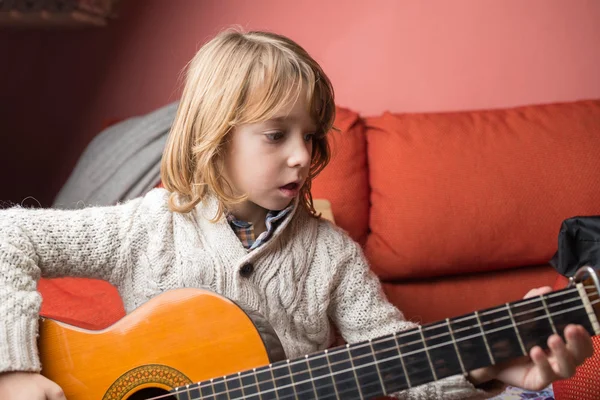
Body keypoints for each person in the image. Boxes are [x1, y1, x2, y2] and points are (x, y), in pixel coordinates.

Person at [0, 28, 593, 400]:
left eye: (310, 137)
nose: (303, 156)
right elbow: (7, 235)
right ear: (215, 135)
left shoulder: (330, 257)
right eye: (276, 135)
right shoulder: (144, 229)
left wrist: (493, 373)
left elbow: (399, 361)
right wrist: (13, 370)